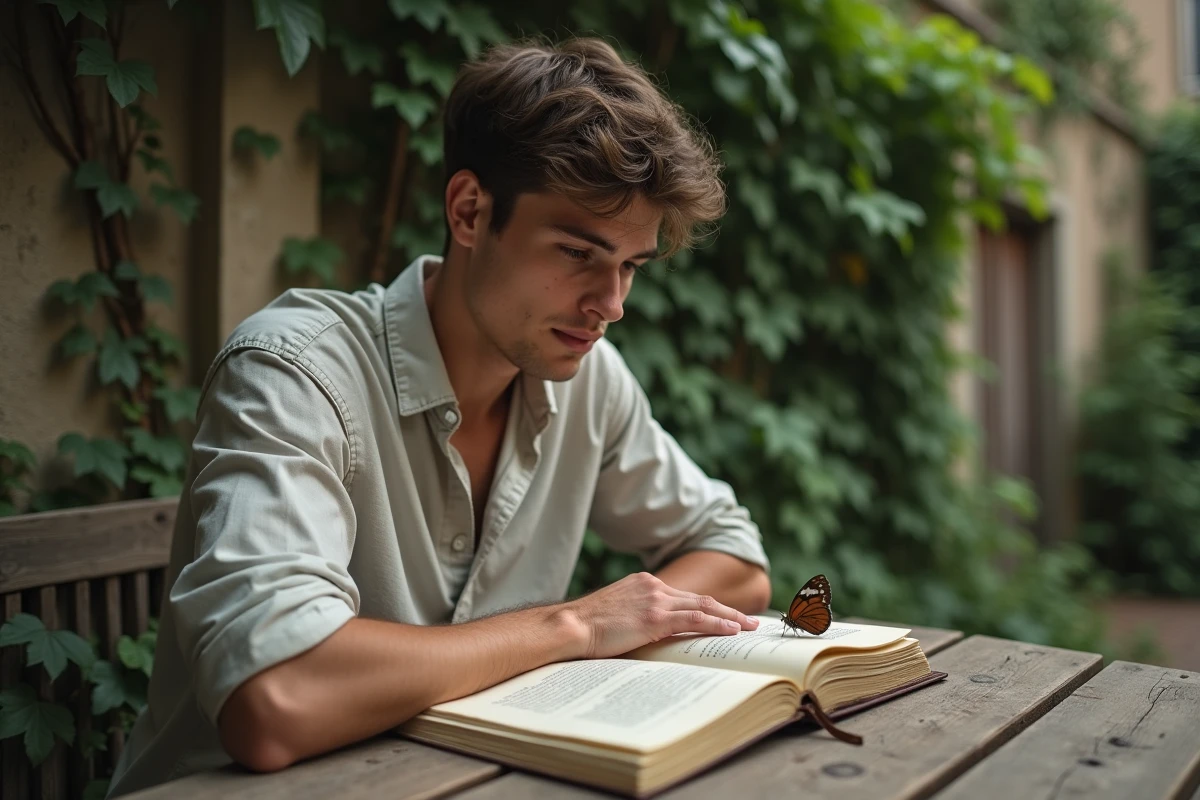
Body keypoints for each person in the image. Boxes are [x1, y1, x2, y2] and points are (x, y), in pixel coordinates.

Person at [106, 36, 771, 797]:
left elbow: (736, 558)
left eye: (628, 266)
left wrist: (639, 615)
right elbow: (275, 697)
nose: (611, 305)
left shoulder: (590, 383)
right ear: (468, 210)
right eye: (577, 253)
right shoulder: (295, 372)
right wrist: (575, 628)